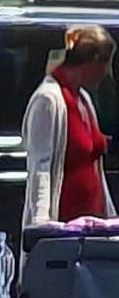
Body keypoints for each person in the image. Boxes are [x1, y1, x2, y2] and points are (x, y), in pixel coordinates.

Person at [23, 25, 116, 227]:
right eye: (106, 64)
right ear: (93, 61)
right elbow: (41, 167)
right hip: (65, 227)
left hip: (93, 225)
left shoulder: (84, 99)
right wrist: (41, 226)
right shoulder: (48, 100)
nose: (106, 73)